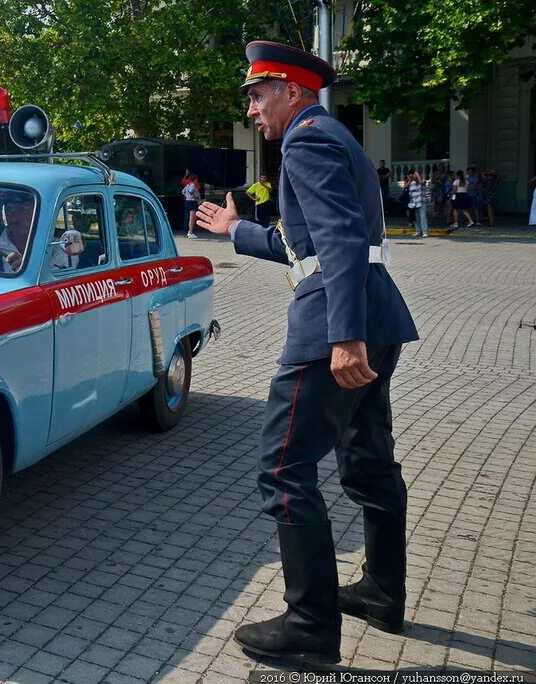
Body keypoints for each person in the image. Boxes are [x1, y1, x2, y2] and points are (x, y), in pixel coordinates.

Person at [196, 41, 418, 666]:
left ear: (291, 92)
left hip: (334, 329)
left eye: (258, 95)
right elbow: (310, 243)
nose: (253, 109)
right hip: (374, 316)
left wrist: (343, 337)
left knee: (283, 469)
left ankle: (311, 628)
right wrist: (235, 231)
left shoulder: (305, 139)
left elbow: (342, 240)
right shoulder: (329, 135)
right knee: (367, 459)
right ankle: (381, 590)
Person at [0, 197, 68, 273]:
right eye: (9, 210)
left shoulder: (60, 244)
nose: (14, 216)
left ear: (38, 213)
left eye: (22, 210)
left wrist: (29, 269)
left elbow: (60, 283)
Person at [182, 171, 201, 238]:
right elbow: (191, 191)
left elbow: (183, 191)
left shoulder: (188, 185)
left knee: (192, 217)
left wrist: (186, 196)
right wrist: (195, 196)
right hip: (192, 201)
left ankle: (190, 231)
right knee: (192, 218)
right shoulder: (192, 185)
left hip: (188, 201)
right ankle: (190, 232)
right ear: (195, 179)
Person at [408, 172, 427, 237]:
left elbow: (422, 183)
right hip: (414, 203)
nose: (414, 177)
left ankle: (424, 232)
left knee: (422, 217)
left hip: (421, 202)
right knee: (416, 218)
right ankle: (418, 231)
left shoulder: (422, 182)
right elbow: (410, 193)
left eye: (415, 176)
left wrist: (418, 175)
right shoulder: (412, 183)